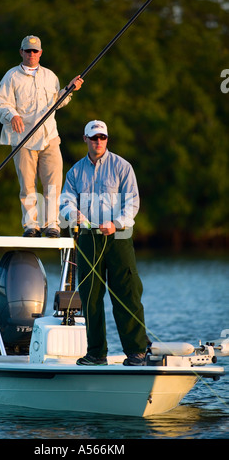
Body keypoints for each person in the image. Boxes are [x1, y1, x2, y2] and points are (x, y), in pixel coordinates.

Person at [60, 120, 148, 366]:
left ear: (107, 139)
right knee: (90, 298)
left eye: (102, 137)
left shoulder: (122, 166)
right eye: (94, 137)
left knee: (127, 294)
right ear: (85, 139)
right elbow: (65, 201)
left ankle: (137, 352)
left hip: (118, 237)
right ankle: (96, 353)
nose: (98, 142)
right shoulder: (75, 171)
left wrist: (116, 223)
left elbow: (132, 203)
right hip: (88, 239)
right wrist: (73, 214)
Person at [0, 35, 83, 237]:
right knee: (27, 185)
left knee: (53, 183)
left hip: (49, 136)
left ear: (41, 53)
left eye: (35, 51)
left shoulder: (50, 76)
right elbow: (0, 104)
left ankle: (52, 224)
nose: (31, 54)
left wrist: (69, 90)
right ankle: (31, 226)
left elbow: (57, 102)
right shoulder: (11, 77)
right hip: (22, 140)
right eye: (27, 51)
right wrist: (12, 115)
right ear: (21, 52)